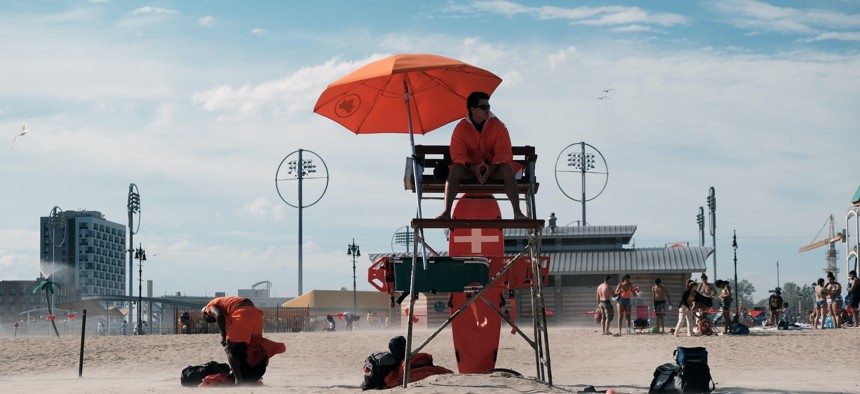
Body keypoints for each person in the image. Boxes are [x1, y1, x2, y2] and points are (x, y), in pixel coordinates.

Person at [436, 91, 527, 220]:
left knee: (506, 168)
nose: (487, 110)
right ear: (473, 109)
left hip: (493, 170)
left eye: (488, 106)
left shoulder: (498, 126)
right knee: (456, 168)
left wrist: (491, 168)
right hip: (470, 170)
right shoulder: (461, 128)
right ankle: (446, 212)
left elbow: (503, 153)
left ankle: (517, 212)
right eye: (484, 107)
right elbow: (458, 154)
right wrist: (472, 167)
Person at [203, 296, 277, 385]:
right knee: (250, 347)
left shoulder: (209, 307)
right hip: (256, 314)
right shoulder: (226, 303)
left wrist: (223, 335)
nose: (214, 320)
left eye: (211, 319)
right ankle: (251, 375)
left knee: (230, 349)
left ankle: (238, 381)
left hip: (242, 313)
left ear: (206, 313)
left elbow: (219, 316)